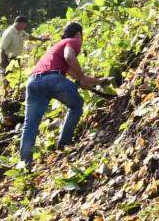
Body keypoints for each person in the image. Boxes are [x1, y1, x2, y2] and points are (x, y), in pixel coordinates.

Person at [18, 21, 104, 170]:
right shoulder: (73, 41)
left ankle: (25, 165)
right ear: (78, 34)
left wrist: (99, 82)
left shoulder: (55, 50)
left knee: (30, 125)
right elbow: (70, 57)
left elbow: (77, 76)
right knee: (77, 105)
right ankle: (64, 143)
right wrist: (82, 77)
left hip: (33, 83)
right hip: (53, 79)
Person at [0, 16, 38, 90]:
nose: (25, 27)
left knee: (15, 77)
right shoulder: (9, 33)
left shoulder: (20, 31)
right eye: (24, 25)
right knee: (7, 77)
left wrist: (39, 38)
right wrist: (3, 61)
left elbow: (28, 37)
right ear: (19, 23)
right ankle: (6, 92)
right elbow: (2, 49)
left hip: (16, 57)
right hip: (8, 58)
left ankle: (12, 91)